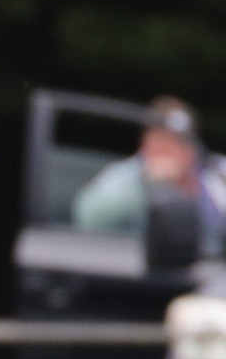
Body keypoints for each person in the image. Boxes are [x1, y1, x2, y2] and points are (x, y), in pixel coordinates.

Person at [74, 96, 226, 253]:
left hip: (205, 266)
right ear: (146, 142)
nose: (174, 149)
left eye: (182, 141)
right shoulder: (127, 175)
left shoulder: (214, 174)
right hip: (142, 267)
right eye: (164, 140)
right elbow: (87, 216)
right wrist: (150, 184)